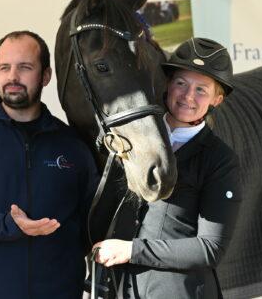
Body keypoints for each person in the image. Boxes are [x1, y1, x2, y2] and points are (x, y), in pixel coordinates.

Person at [0, 30, 98, 299]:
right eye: (5, 68)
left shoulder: (73, 143)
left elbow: (91, 221)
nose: (13, 77)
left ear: (45, 76)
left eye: (25, 67)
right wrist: (10, 225)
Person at [93, 38, 242, 299]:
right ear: (168, 84)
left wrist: (131, 250)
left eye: (201, 90)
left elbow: (210, 248)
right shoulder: (130, 140)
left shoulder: (220, 160)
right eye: (181, 83)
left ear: (217, 99)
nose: (187, 96)